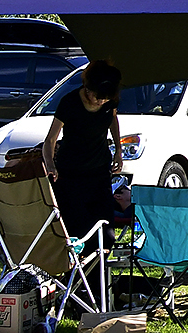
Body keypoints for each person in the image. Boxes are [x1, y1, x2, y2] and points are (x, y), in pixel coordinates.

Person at [42, 59, 127, 239]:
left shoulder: (109, 101)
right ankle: (76, 266)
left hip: (100, 172)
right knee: (77, 231)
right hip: (71, 174)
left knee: (106, 232)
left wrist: (118, 150)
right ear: (88, 89)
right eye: (98, 97)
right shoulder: (69, 103)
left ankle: (100, 265)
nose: (101, 102)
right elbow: (50, 140)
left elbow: (113, 119)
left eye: (105, 99)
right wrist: (50, 165)